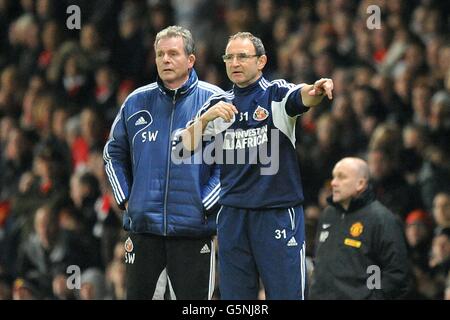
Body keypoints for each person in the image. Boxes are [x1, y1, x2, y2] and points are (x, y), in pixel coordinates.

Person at [179, 32, 334, 299]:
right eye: (229, 57)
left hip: (275, 212)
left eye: (242, 57)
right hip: (232, 216)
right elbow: (183, 147)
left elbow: (303, 96)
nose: (234, 63)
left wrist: (317, 90)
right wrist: (204, 121)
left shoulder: (276, 95)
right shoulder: (218, 105)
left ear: (261, 61)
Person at [103, 26, 223, 300]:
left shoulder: (214, 100)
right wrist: (126, 198)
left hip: (192, 233)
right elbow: (113, 153)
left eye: (173, 53)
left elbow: (230, 163)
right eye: (160, 54)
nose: (165, 60)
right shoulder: (136, 102)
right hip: (144, 231)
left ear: (191, 60)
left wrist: (204, 203)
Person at [308, 157, 411, 299]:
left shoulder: (382, 219)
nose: (333, 183)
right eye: (333, 177)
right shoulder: (328, 214)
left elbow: (397, 274)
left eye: (341, 177)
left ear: (360, 184)